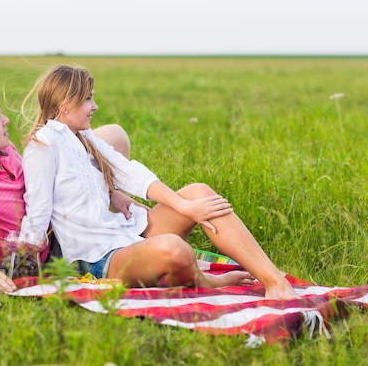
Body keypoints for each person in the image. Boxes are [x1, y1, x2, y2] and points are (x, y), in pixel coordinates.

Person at [19, 64, 299, 300]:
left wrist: (182, 206)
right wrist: (22, 259)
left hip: (124, 234)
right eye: (88, 99)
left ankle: (274, 281)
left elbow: (130, 172)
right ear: (66, 105)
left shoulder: (83, 136)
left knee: (198, 193)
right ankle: (206, 281)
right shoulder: (43, 145)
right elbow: (39, 208)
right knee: (175, 249)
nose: (96, 106)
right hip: (96, 257)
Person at [0, 87, 138, 292]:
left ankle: (110, 202)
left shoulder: (1, 148)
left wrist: (109, 190)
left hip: (54, 210)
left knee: (113, 134)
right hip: (46, 252)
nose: (6, 120)